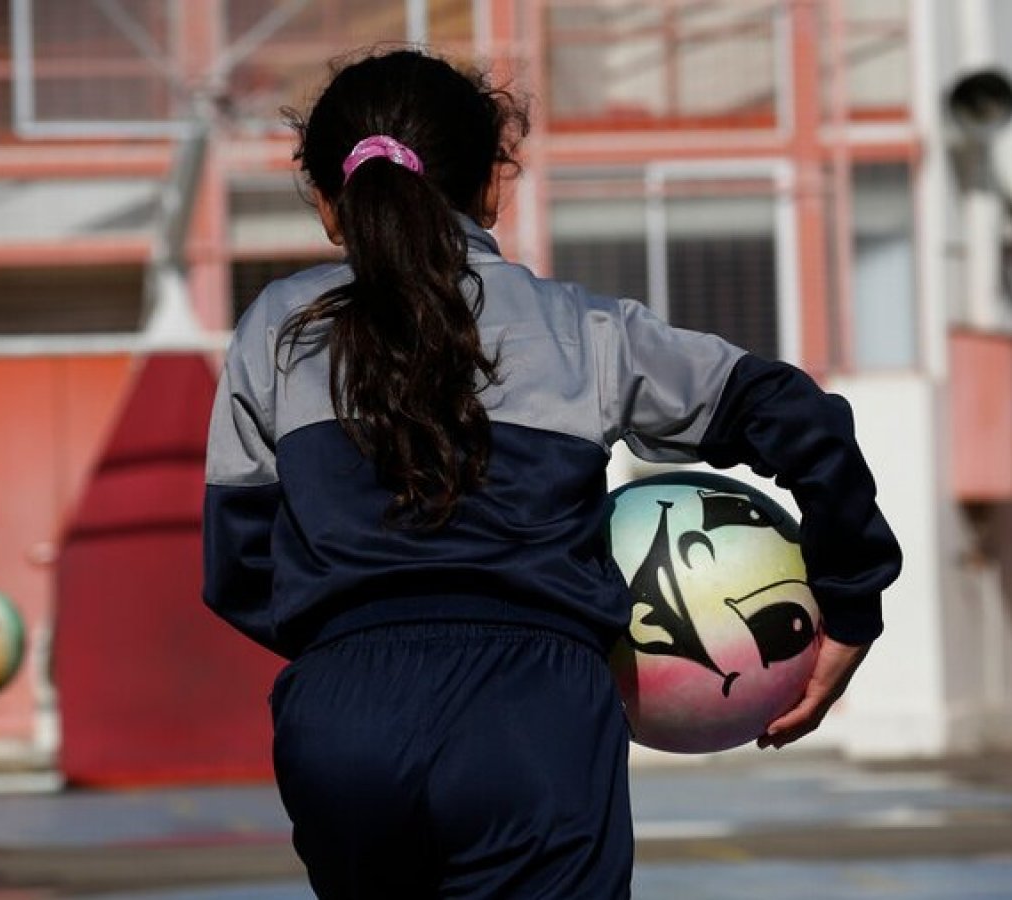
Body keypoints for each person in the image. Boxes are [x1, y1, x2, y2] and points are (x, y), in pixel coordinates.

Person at [202, 49, 903, 899]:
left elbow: (239, 567)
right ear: (495, 184)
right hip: (533, 715)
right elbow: (795, 417)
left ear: (326, 204)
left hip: (342, 722)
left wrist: (358, 645)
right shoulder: (586, 333)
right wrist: (853, 593)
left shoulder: (275, 330)